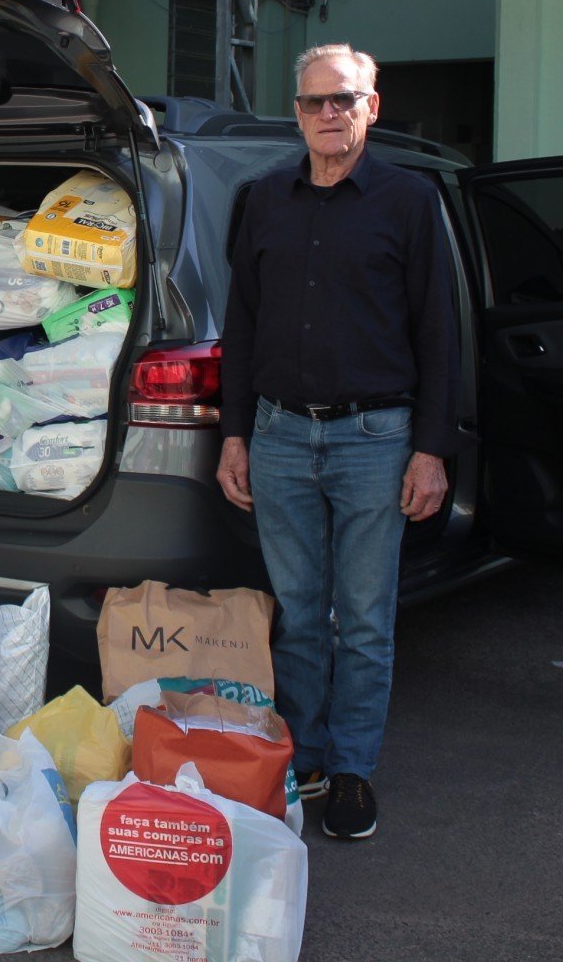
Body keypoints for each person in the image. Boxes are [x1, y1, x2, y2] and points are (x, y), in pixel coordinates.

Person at [216, 43, 464, 842]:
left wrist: (431, 448)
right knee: (296, 614)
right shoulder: (263, 200)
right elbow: (243, 326)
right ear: (297, 113)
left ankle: (353, 770)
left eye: (345, 100)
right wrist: (234, 434)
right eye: (316, 101)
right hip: (280, 434)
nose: (330, 113)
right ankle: (306, 756)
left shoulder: (409, 200)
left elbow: (439, 330)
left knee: (362, 615)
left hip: (374, 439)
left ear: (372, 108)